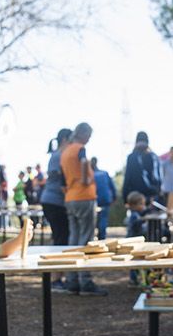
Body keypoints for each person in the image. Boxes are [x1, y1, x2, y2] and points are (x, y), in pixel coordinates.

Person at [59, 122, 106, 296]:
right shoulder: (80, 149)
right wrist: (86, 179)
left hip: (70, 197)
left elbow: (62, 177)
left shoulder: (65, 152)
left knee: (74, 239)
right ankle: (85, 281)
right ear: (84, 134)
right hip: (84, 196)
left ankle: (72, 280)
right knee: (85, 239)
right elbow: (85, 164)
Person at [38, 128, 72, 248]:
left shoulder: (57, 155)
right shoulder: (58, 156)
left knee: (61, 236)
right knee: (61, 237)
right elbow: (61, 176)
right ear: (64, 140)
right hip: (54, 202)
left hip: (53, 201)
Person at [122, 130, 161, 205]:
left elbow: (127, 178)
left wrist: (125, 199)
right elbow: (159, 178)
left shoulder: (132, 157)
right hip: (153, 198)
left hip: (136, 198)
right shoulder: (154, 157)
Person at [91, 155, 116, 240]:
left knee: (93, 220)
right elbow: (112, 186)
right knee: (103, 219)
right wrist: (114, 197)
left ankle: (92, 237)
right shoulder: (104, 173)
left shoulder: (90, 175)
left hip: (94, 199)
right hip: (105, 199)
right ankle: (102, 238)